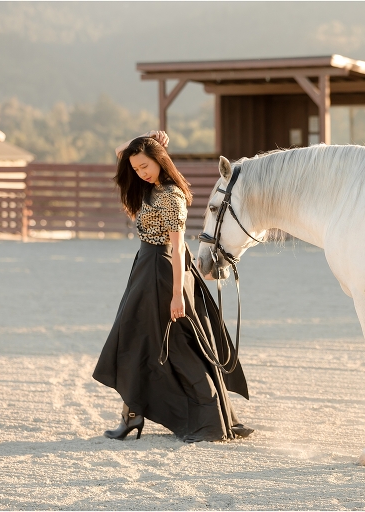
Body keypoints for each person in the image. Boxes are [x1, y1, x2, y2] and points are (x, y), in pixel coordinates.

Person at [93, 130, 253, 442]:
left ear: (159, 161)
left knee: (171, 344)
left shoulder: (170, 195)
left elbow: (178, 248)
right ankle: (133, 414)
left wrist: (177, 294)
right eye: (137, 168)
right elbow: (119, 150)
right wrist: (144, 138)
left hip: (162, 271)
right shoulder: (150, 187)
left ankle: (198, 417)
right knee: (138, 339)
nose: (140, 172)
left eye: (145, 166)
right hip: (146, 267)